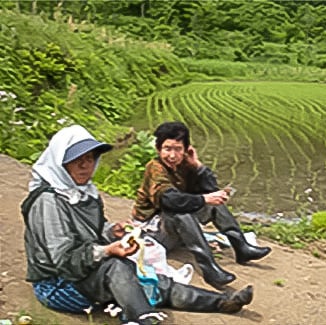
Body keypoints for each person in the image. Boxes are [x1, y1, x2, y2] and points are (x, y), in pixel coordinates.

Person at [22, 125, 253, 325]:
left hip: (83, 270)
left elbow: (91, 230)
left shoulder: (84, 192)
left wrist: (110, 231)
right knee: (117, 267)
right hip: (59, 285)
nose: (85, 166)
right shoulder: (48, 202)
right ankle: (141, 317)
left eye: (90, 159)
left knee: (152, 281)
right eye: (77, 161)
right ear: (61, 164)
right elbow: (62, 258)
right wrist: (106, 250)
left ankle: (222, 302)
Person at [131, 121, 271, 289]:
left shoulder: (185, 165)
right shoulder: (155, 168)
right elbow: (169, 200)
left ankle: (241, 247)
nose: (173, 155)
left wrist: (198, 166)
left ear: (186, 149)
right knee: (180, 212)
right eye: (168, 149)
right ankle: (209, 269)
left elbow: (211, 189)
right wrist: (204, 199)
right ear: (158, 149)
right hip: (152, 233)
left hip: (173, 229)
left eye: (178, 149)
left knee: (215, 202)